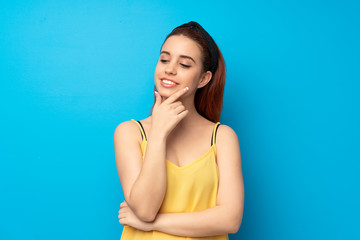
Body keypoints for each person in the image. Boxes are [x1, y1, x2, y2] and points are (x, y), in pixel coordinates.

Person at [114, 21, 244, 239]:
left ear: (203, 79)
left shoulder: (222, 137)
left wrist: (151, 224)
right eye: (164, 59)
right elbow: (145, 209)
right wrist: (158, 135)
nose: (169, 69)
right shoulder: (129, 132)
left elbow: (230, 219)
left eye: (184, 65)